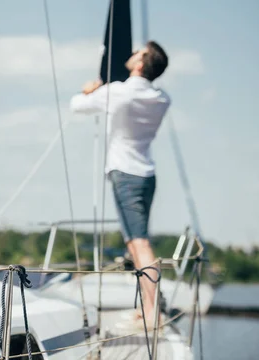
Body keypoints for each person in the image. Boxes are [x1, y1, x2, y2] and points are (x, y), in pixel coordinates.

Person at [70, 41, 170, 327]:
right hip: (147, 174)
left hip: (124, 174)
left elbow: (77, 106)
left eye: (138, 52)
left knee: (139, 244)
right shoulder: (162, 99)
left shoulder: (118, 92)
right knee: (136, 243)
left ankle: (153, 312)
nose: (132, 53)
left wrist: (88, 90)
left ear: (140, 64)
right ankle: (147, 306)